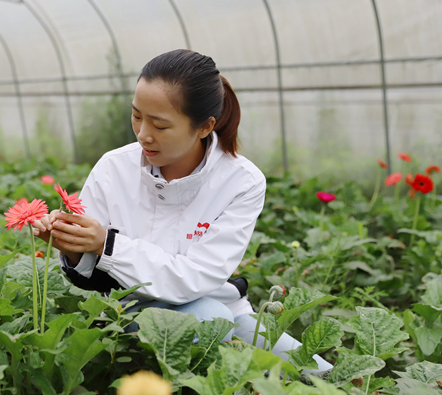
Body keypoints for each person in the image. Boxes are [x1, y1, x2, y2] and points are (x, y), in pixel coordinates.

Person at [33, 49, 332, 375]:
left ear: (205, 127)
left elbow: (196, 277)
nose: (143, 133)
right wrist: (74, 246)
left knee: (318, 372)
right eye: (136, 116)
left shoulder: (240, 182)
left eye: (160, 125)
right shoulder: (113, 168)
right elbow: (89, 277)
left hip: (222, 304)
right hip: (130, 310)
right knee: (211, 322)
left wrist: (106, 244)